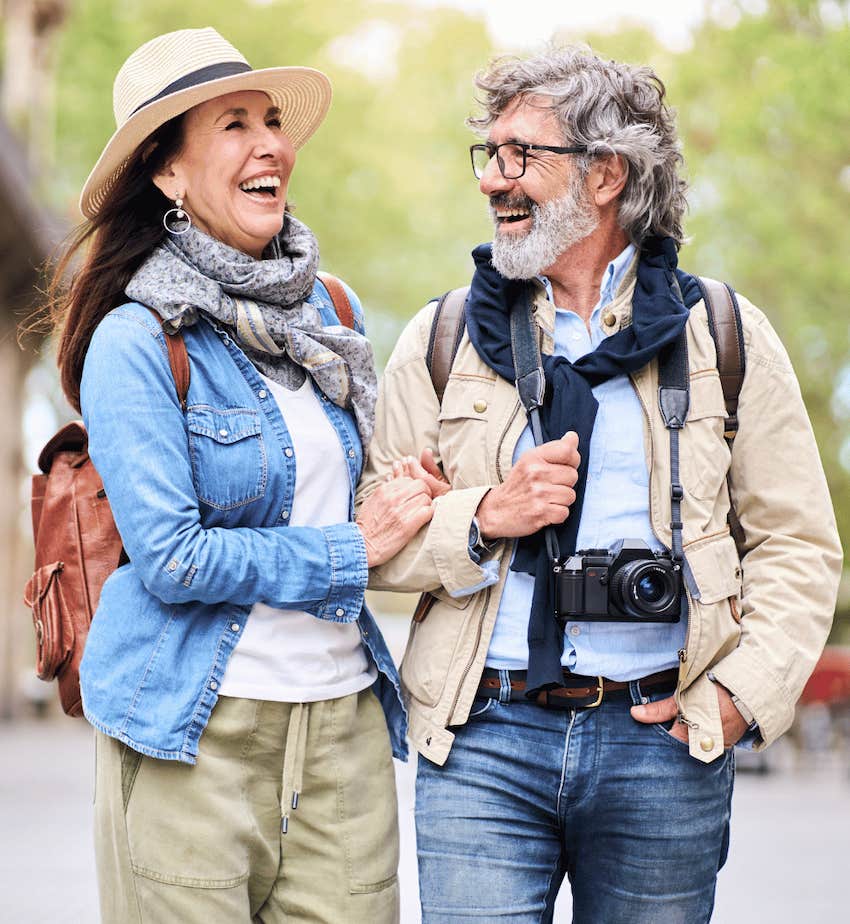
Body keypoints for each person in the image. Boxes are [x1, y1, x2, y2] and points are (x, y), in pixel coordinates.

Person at [359, 46, 843, 922]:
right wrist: (483, 517)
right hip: (481, 742)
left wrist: (739, 701)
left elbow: (799, 545)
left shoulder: (724, 336)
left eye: (521, 156)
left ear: (607, 174)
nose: (493, 180)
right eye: (490, 154)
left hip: (663, 739)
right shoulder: (441, 339)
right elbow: (372, 543)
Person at [48, 27, 429, 924]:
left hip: (343, 737)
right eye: (232, 125)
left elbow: (360, 488)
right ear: (168, 175)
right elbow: (174, 558)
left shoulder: (332, 311)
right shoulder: (137, 341)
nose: (271, 145)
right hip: (193, 735)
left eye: (271, 121)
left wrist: (421, 494)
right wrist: (350, 550)